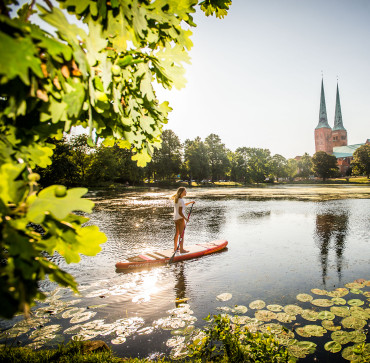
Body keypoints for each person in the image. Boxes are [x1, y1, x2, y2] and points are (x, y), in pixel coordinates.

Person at [171, 187, 195, 253]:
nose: (186, 192)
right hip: (180, 219)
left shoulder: (177, 199)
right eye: (185, 191)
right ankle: (181, 250)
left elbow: (182, 205)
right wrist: (185, 218)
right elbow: (180, 212)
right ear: (181, 192)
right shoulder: (181, 200)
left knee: (177, 233)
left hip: (176, 218)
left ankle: (175, 248)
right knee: (182, 234)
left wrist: (190, 202)